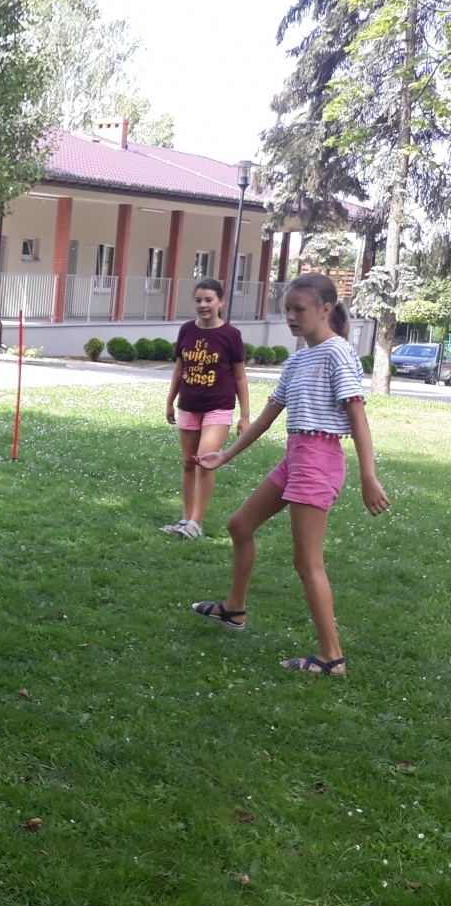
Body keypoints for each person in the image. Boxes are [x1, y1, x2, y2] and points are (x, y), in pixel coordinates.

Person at [189, 274, 390, 674]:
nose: (291, 317)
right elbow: (266, 419)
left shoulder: (338, 354)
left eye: (299, 309)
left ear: (326, 310)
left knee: (307, 562)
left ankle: (332, 657)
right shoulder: (298, 359)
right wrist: (223, 456)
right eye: (288, 309)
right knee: (239, 525)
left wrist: (369, 477)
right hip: (295, 457)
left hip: (319, 459)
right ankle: (234, 609)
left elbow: (358, 419)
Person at [162, 279, 251, 539]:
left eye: (209, 300)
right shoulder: (186, 330)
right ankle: (185, 519)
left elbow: (240, 377)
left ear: (221, 302)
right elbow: (179, 368)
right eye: (199, 300)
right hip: (189, 404)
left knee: (204, 461)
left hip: (219, 407)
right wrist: (170, 401)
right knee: (188, 463)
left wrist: (245, 416)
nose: (203, 305)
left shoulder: (230, 335)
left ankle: (196, 523)